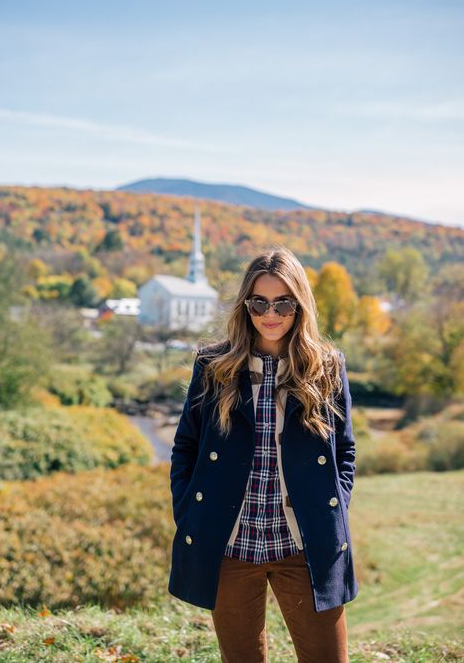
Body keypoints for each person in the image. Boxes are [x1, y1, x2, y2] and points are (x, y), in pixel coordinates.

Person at [168, 245, 358, 663]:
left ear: (300, 304)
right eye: (259, 302)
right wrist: (189, 511)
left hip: (304, 544)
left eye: (283, 303)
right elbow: (185, 448)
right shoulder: (213, 366)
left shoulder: (326, 367)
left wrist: (335, 510)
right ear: (245, 305)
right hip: (230, 545)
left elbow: (344, 449)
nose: (270, 314)